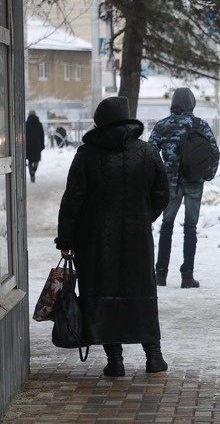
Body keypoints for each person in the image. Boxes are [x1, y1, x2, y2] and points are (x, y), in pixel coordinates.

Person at [55, 96, 171, 377]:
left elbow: (73, 200)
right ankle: (154, 357)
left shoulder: (87, 154)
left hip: (95, 241)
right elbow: (162, 195)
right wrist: (143, 218)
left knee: (102, 293)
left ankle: (115, 361)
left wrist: (66, 239)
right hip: (137, 240)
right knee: (142, 293)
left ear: (100, 122)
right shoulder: (148, 152)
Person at [149, 87, 220, 288]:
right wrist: (207, 175)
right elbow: (214, 152)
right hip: (194, 181)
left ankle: (160, 274)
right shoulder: (199, 124)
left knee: (166, 225)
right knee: (190, 227)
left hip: (170, 183)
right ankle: (187, 276)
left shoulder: (162, 126)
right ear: (191, 103)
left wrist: (157, 178)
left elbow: (151, 154)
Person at [25, 110, 45, 182]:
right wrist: (42, 145)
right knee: (36, 160)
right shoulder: (39, 124)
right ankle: (33, 171)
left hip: (28, 145)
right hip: (37, 145)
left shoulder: (26, 124)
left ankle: (31, 173)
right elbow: (42, 135)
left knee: (30, 161)